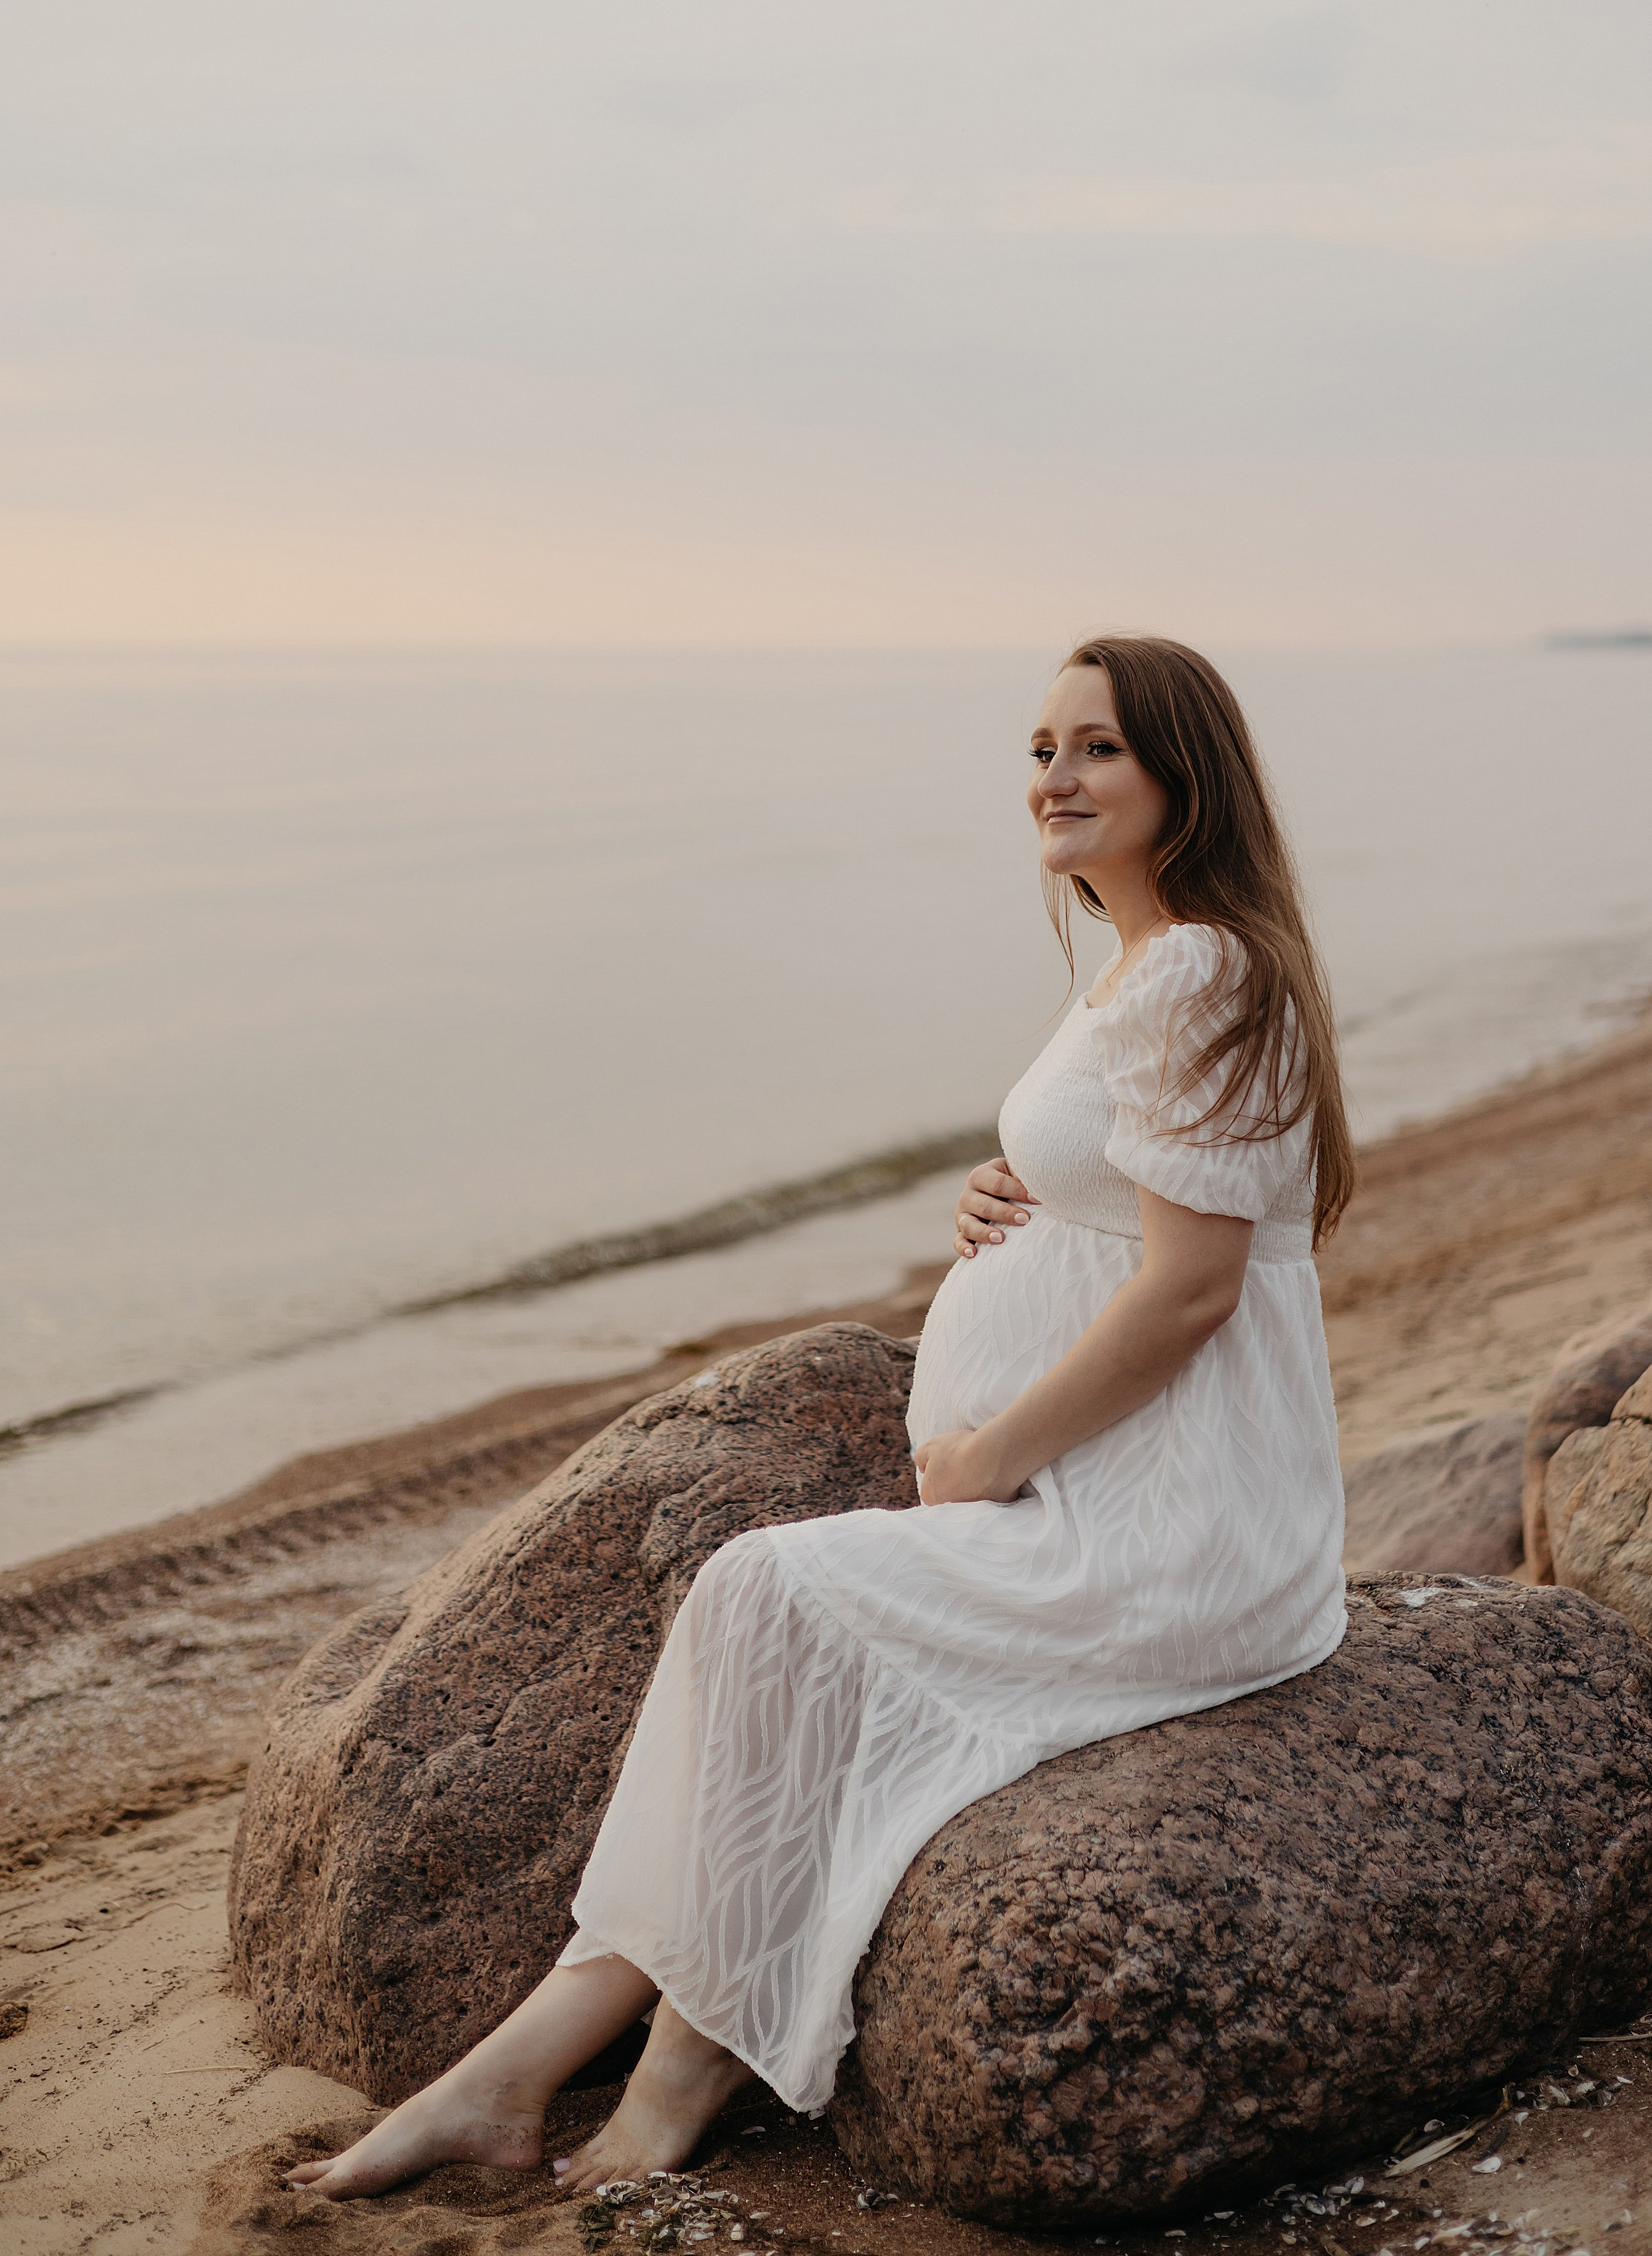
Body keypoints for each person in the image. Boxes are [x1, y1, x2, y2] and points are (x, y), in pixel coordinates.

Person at [286, 633, 1355, 2202]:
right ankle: (540, 2064)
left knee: (768, 1594)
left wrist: (988, 1454)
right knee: (761, 1611)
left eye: (1096, 750)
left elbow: (1193, 1290)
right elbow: (1135, 1202)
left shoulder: (1199, 966)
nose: (1051, 778)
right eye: (1040, 748)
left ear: (1183, 779)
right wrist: (1014, 1193)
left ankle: (657, 2070)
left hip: (1174, 1529)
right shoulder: (1146, 966)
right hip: (1094, 1497)